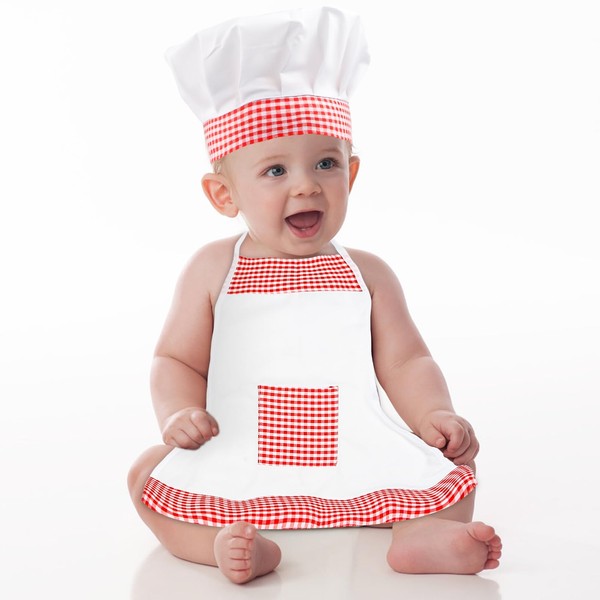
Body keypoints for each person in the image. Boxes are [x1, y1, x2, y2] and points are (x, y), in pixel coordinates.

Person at [128, 6, 502, 584]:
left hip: (354, 441)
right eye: (275, 171)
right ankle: (225, 545)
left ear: (350, 175)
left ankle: (420, 536)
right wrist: (180, 413)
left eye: (325, 163)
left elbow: (406, 361)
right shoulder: (212, 269)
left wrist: (434, 414)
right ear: (224, 195)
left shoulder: (368, 273)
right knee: (147, 477)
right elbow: (176, 358)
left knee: (451, 469)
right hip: (240, 445)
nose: (306, 185)